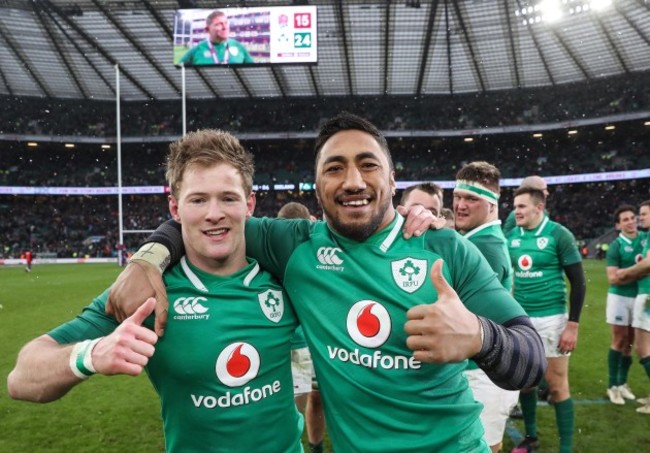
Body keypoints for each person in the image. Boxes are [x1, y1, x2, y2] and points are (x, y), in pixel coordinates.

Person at [108, 112, 546, 452]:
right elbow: (211, 220)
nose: (353, 180)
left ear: (393, 179)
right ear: (317, 188)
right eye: (335, 168)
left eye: (368, 164)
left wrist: (479, 336)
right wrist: (148, 256)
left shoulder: (444, 248)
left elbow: (530, 360)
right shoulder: (294, 244)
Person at [7, 130, 304, 452]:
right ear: (175, 209)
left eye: (228, 198)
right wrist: (90, 354)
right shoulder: (147, 294)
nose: (213, 213)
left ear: (249, 204)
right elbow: (21, 379)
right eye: (198, 199)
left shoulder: (286, 275)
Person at [506, 187, 586, 453]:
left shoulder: (558, 234)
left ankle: (566, 448)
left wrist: (572, 324)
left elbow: (579, 282)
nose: (516, 211)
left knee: (556, 385)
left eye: (522, 207)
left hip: (553, 319)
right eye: (515, 206)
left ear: (539, 208)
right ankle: (531, 437)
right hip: (522, 320)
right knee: (526, 382)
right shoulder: (511, 237)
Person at [453, 161, 519, 453]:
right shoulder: (478, 240)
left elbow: (463, 320)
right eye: (457, 196)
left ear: (492, 205)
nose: (460, 205)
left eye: (471, 199)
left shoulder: (484, 247)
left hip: (483, 373)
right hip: (483, 368)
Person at [277, 201, 327, 453]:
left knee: (314, 401)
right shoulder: (268, 252)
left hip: (317, 344)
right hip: (294, 347)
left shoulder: (322, 249)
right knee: (291, 411)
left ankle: (315, 448)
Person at [604, 205, 642, 405]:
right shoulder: (616, 246)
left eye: (632, 217)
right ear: (618, 225)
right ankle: (612, 386)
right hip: (619, 298)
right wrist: (640, 272)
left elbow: (620, 276)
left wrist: (625, 273)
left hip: (639, 298)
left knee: (630, 343)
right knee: (619, 340)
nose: (630, 222)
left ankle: (622, 383)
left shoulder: (645, 240)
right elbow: (613, 279)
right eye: (625, 219)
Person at [616, 200, 650, 414]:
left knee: (642, 348)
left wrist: (625, 273)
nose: (640, 218)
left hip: (647, 295)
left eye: (645, 214)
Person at [179, 10, 254, 65]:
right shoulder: (196, 50)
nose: (225, 27)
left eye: (226, 23)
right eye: (219, 24)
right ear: (207, 29)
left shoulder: (238, 46)